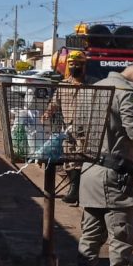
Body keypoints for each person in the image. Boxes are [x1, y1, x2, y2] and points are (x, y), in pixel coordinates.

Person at [75, 64, 133, 266]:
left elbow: (77, 128)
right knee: (121, 235)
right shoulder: (128, 93)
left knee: (90, 236)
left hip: (88, 172)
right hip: (114, 176)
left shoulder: (91, 89)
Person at [50, 51, 88, 205]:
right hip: (68, 130)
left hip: (85, 130)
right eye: (72, 64)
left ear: (84, 66)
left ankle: (75, 191)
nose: (74, 67)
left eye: (78, 64)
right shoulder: (63, 85)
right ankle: (74, 189)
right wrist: (47, 113)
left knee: (79, 160)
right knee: (68, 160)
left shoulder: (92, 85)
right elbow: (54, 103)